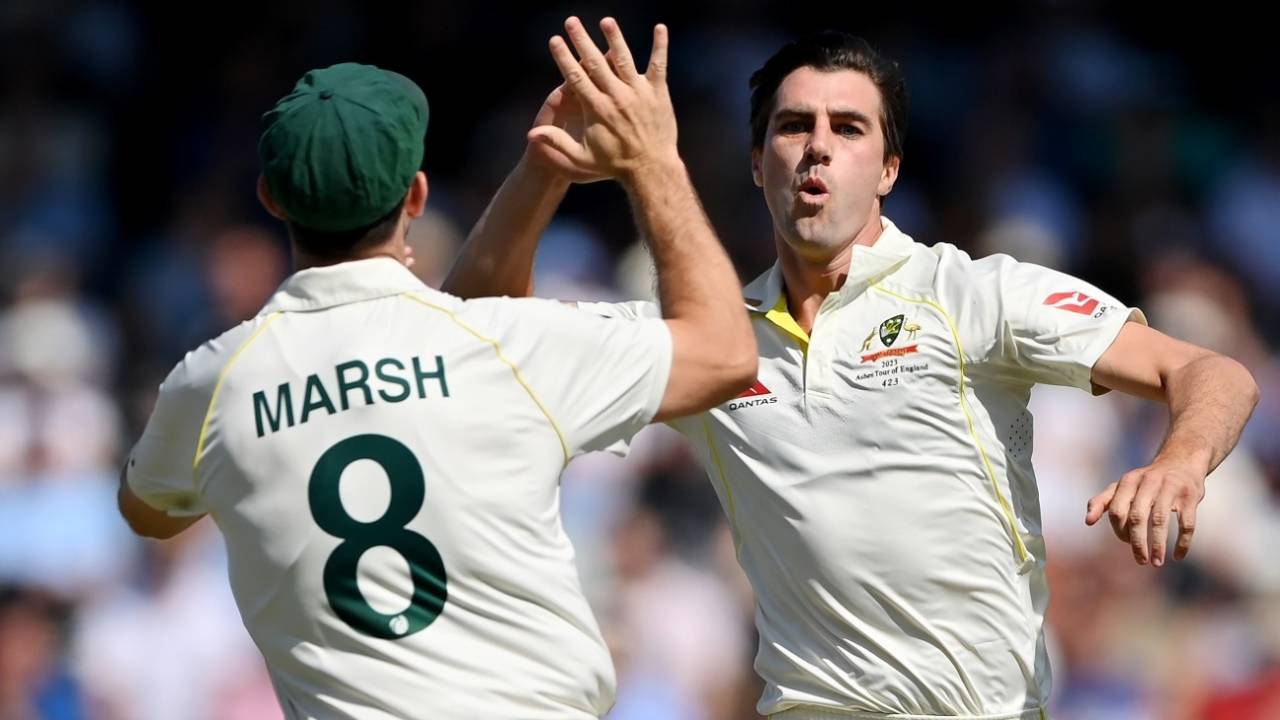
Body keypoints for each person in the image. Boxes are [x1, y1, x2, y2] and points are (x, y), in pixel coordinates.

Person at [444, 28, 1260, 720]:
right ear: (758, 160)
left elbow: (1213, 372)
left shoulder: (969, 292)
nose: (819, 147)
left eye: (849, 128)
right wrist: (545, 167)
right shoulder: (709, 343)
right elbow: (473, 337)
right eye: (795, 126)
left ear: (890, 168)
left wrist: (1177, 464)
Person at [116, 19, 756, 720]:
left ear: (270, 199)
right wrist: (653, 160)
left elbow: (148, 511)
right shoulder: (501, 349)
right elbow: (723, 353)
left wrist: (541, 171)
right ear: (417, 197)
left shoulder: (210, 383)